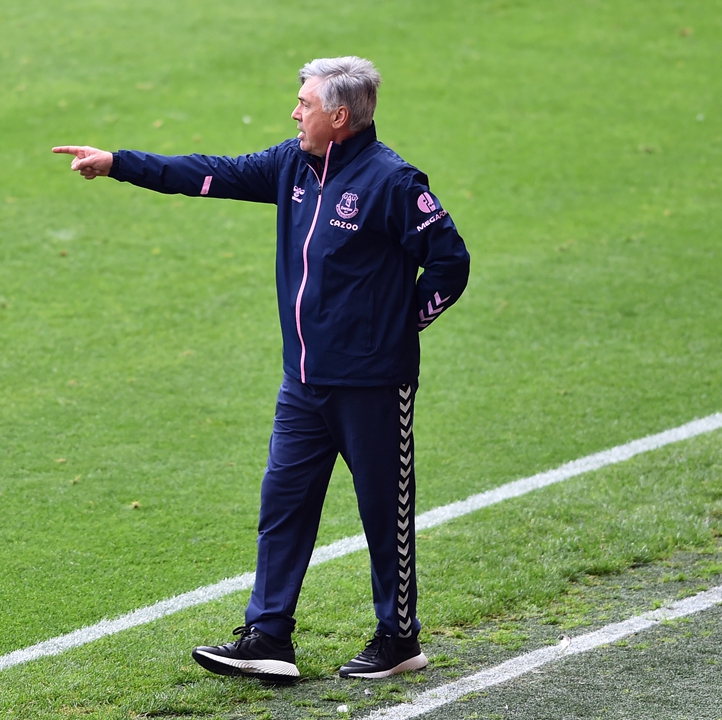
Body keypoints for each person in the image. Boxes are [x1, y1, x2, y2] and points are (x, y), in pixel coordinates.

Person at [53, 56, 469, 681]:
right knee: (283, 506)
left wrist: (398, 326)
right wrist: (119, 163)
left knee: (386, 515)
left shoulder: (393, 182)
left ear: (339, 116)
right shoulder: (292, 165)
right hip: (303, 383)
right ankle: (268, 636)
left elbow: (451, 264)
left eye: (305, 104)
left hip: (373, 385)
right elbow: (210, 173)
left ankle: (398, 639)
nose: (294, 113)